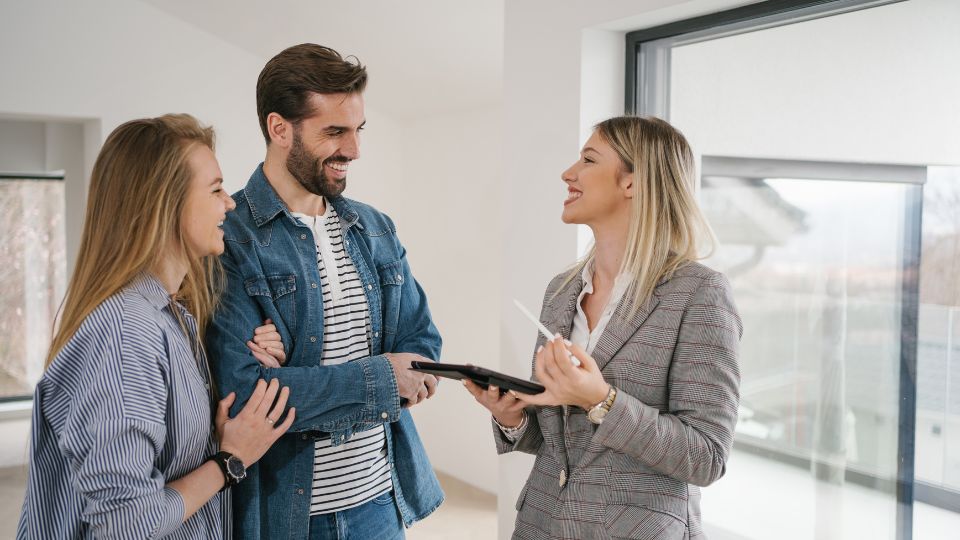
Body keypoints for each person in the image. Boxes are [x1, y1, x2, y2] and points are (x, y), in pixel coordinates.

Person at [205, 43, 443, 540]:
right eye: (334, 132)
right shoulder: (230, 237)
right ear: (279, 128)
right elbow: (246, 395)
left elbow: (421, 341)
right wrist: (382, 379)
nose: (353, 150)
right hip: (288, 517)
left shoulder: (375, 228)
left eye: (357, 130)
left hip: (381, 500)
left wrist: (296, 379)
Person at [16, 114, 294, 539]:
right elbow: (127, 522)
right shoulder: (125, 334)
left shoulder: (171, 314)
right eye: (216, 189)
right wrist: (228, 461)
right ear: (165, 203)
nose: (230, 203)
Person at [465, 116, 742, 539]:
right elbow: (560, 440)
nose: (568, 173)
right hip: (541, 524)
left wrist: (602, 400)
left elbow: (706, 456)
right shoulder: (561, 291)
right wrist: (513, 420)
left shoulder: (700, 294)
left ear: (632, 182)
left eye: (588, 160)